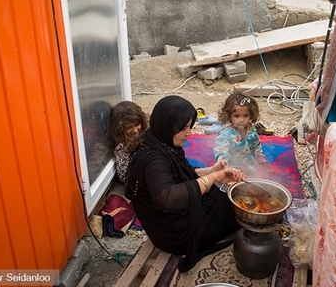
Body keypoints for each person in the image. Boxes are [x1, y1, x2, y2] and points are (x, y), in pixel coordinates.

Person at [125, 95, 246, 272]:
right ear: (168, 126)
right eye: (183, 128)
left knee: (230, 197)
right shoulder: (153, 160)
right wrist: (214, 178)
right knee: (236, 210)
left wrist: (211, 171)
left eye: (190, 126)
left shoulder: (157, 139)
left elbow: (178, 176)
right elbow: (168, 197)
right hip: (174, 234)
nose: (189, 133)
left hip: (171, 218)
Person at [214, 93, 268, 177]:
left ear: (251, 115)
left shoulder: (251, 130)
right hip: (232, 169)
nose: (241, 120)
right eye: (237, 116)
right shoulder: (226, 135)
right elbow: (221, 150)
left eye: (246, 116)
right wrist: (224, 164)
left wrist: (259, 157)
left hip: (250, 167)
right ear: (229, 116)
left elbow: (256, 145)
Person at [110, 100, 149, 186]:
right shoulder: (121, 148)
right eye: (129, 127)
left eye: (137, 124)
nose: (135, 130)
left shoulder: (145, 132)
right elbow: (123, 177)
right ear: (119, 128)